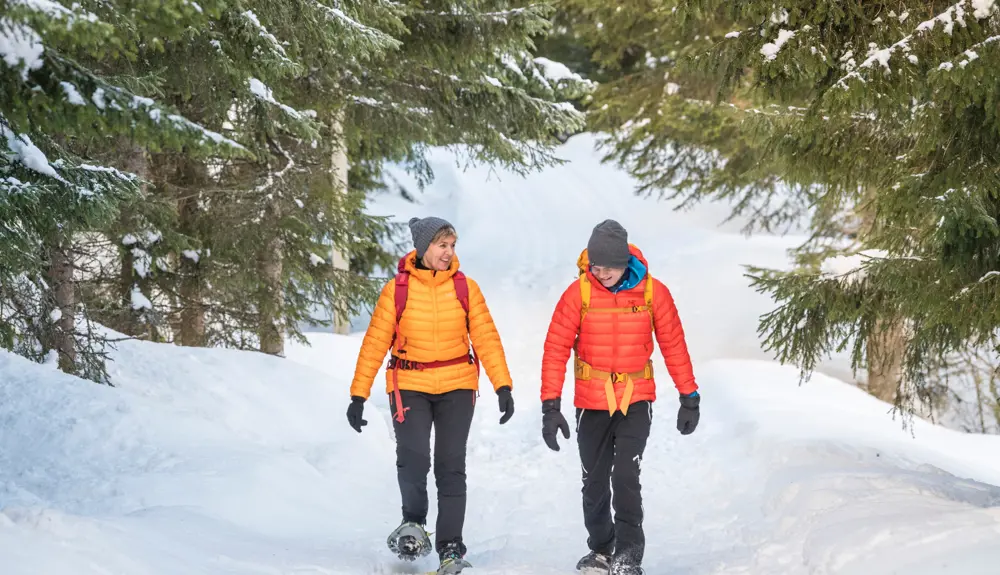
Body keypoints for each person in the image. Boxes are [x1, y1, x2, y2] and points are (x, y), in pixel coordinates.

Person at [346, 216, 515, 575]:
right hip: (410, 383)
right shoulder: (397, 290)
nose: (449, 252)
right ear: (424, 248)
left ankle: (451, 549)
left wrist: (503, 386)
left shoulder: (466, 288)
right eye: (442, 245)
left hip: (457, 383)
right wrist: (358, 394)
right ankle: (414, 524)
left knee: (451, 467)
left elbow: (486, 337)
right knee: (413, 457)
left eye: (452, 246)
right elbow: (375, 342)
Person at [539, 219, 700, 575]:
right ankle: (600, 549)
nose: (602, 272)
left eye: (609, 266)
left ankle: (628, 554)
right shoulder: (577, 293)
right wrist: (551, 406)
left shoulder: (651, 292)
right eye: (596, 266)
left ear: (625, 261)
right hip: (591, 400)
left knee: (625, 474)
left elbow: (673, 344)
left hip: (635, 396)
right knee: (593, 479)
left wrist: (689, 396)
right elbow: (555, 350)